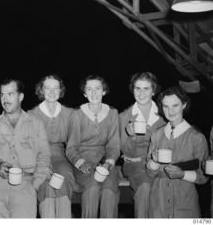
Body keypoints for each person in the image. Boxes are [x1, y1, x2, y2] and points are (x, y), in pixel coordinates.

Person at [0, 78, 51, 218]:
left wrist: (35, 184)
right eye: (2, 95)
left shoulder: (36, 124)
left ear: (21, 96)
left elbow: (44, 156)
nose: (5, 99)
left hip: (26, 185)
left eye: (10, 94)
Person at [146, 86, 208, 218]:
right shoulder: (156, 135)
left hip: (185, 201)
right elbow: (150, 173)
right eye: (166, 106)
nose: (170, 111)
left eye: (175, 105)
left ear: (184, 105)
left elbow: (203, 176)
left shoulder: (197, 137)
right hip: (158, 201)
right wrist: (155, 161)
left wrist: (182, 174)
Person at [66, 75, 120, 218]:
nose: (94, 93)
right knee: (93, 186)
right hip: (83, 163)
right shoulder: (77, 114)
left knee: (109, 188)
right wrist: (80, 162)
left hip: (104, 162)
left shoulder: (112, 113)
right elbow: (71, 147)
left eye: (97, 88)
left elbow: (114, 145)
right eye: (89, 89)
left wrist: (109, 163)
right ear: (84, 93)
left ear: (104, 91)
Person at [28, 75, 77, 218]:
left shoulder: (70, 114)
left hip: (60, 155)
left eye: (55, 88)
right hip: (38, 157)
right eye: (47, 88)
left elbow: (75, 143)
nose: (52, 91)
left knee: (65, 176)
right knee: (44, 181)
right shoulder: (31, 115)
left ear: (60, 91)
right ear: (41, 91)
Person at [119, 72, 166, 218]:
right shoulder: (124, 117)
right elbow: (125, 151)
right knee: (145, 188)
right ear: (132, 90)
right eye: (137, 88)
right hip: (136, 168)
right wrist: (131, 136)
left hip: (161, 165)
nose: (141, 93)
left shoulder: (164, 114)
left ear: (153, 91)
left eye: (146, 88)